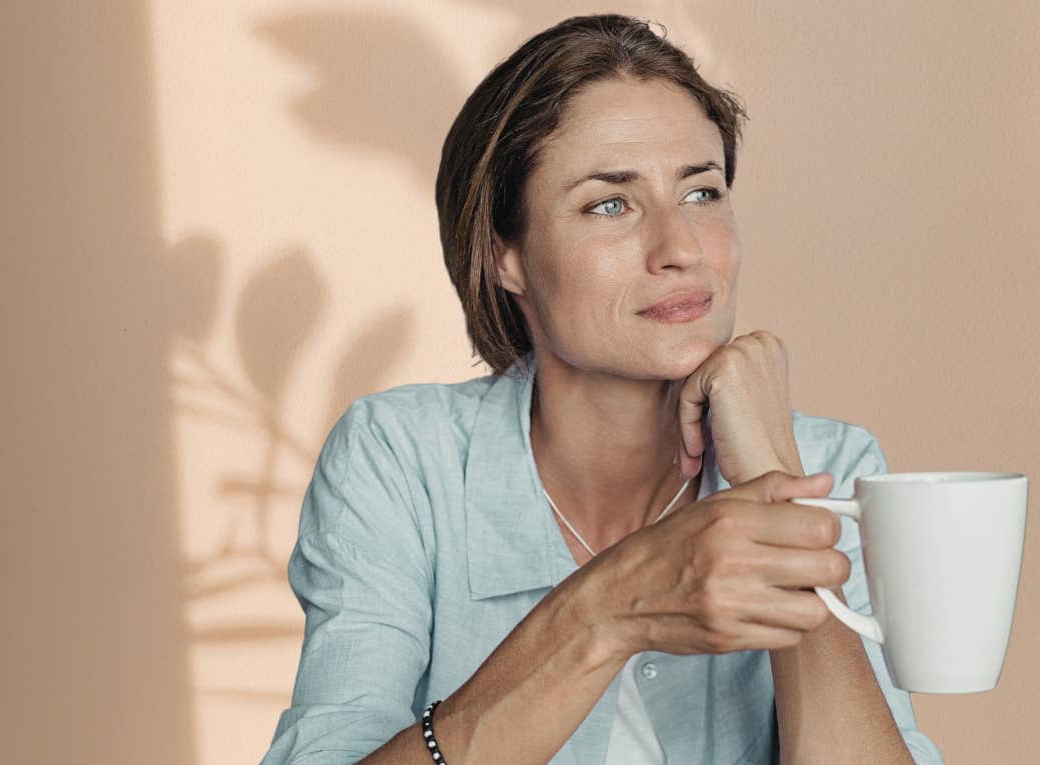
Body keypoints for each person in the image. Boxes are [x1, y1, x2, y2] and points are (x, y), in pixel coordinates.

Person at [262, 13, 944, 765]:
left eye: (703, 193)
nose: (680, 249)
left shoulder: (830, 465)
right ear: (504, 255)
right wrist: (609, 608)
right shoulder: (400, 462)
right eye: (609, 205)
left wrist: (776, 483)